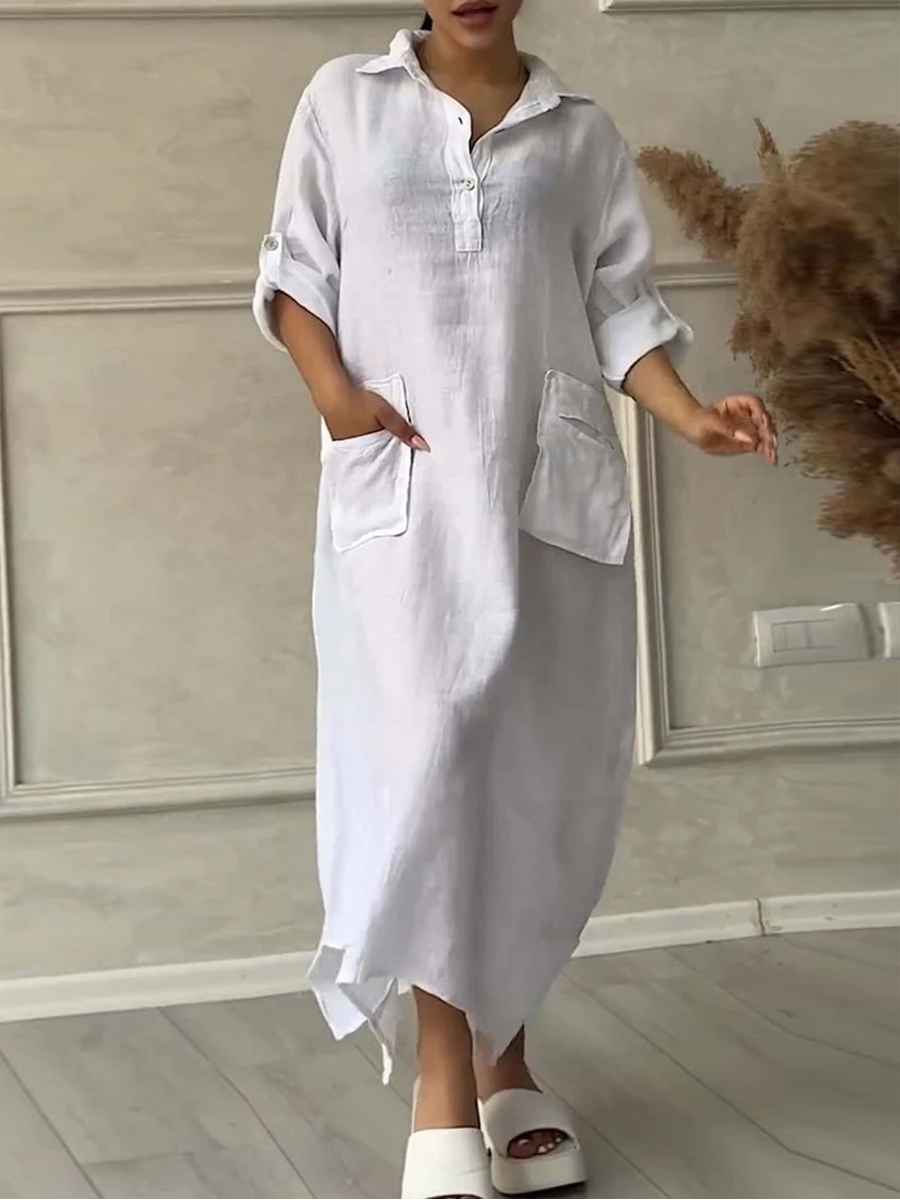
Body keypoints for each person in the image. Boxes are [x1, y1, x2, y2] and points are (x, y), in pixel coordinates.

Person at [252, 3, 777, 1196]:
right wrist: (334, 396)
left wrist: (693, 417)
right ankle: (446, 1077)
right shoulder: (344, 102)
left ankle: (510, 1062)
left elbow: (617, 307)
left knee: (525, 775)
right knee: (431, 767)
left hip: (544, 500)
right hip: (406, 494)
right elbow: (297, 273)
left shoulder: (580, 133)